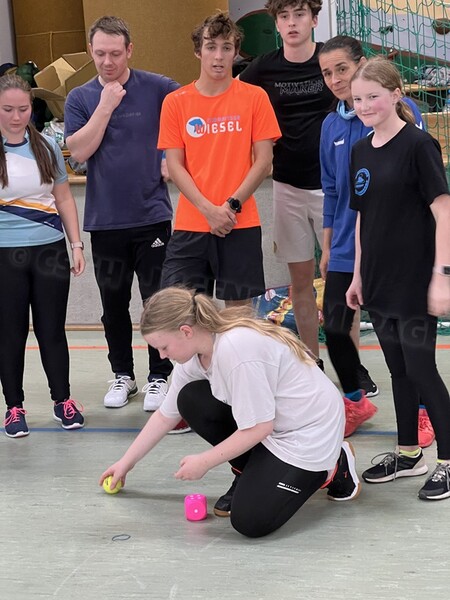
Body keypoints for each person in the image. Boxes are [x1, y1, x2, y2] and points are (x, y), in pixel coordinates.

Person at [100, 286, 361, 538]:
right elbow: (165, 415)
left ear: (185, 331)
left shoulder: (236, 349)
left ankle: (334, 467)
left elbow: (259, 427)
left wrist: (205, 461)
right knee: (190, 398)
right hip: (274, 426)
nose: (161, 355)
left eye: (164, 347)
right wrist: (126, 463)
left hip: (308, 434)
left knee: (250, 521)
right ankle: (250, 470)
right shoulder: (194, 355)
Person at [318, 36, 434, 444]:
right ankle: (355, 400)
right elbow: (332, 190)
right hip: (349, 246)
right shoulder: (331, 126)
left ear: (362, 66)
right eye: (327, 73)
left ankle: (422, 412)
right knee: (335, 326)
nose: (335, 79)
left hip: (396, 251)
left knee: (410, 350)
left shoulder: (401, 117)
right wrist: (328, 244)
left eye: (342, 69)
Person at [346, 57, 450, 500]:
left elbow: (444, 212)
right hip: (378, 280)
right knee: (398, 371)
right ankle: (409, 454)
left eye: (373, 96)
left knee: (422, 369)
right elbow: (362, 219)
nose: (365, 106)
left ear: (395, 95)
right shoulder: (359, 150)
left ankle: (448, 461)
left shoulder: (419, 145)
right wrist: (357, 276)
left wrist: (442, 276)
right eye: (357, 99)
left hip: (415, 280)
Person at [64, 16, 178, 416]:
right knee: (113, 303)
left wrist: (171, 158)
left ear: (129, 50)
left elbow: (191, 119)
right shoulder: (80, 98)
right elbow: (79, 153)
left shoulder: (159, 87)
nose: (108, 62)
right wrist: (106, 105)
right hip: (106, 220)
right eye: (100, 54)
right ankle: (122, 374)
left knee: (156, 302)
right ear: (91, 52)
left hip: (151, 216)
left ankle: (159, 374)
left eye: (115, 53)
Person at [239, 0, 338, 366]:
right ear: (276, 24)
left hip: (333, 190)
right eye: (284, 16)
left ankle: (353, 369)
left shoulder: (331, 59)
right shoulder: (262, 68)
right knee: (300, 283)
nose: (292, 22)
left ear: (314, 19)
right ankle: (311, 362)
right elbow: (231, 100)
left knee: (341, 283)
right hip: (287, 186)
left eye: (299, 14)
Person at [157, 12, 281, 305]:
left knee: (238, 318)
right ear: (198, 51)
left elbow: (264, 161)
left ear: (236, 52)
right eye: (211, 46)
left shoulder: (255, 97)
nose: (218, 56)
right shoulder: (176, 102)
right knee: (181, 311)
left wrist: (231, 206)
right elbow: (174, 165)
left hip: (240, 221)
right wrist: (208, 210)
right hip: (191, 224)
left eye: (226, 48)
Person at [0, 74, 85, 438]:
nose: (16, 117)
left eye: (22, 109)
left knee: (52, 329)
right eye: (7, 109)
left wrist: (76, 244)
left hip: (49, 250)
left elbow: (63, 198)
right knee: (10, 332)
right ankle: (14, 407)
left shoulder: (47, 146)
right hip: (5, 255)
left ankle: (62, 400)